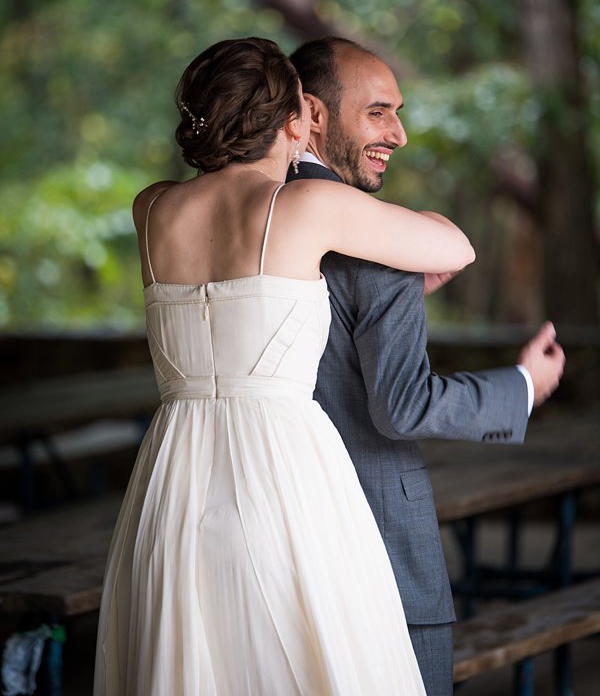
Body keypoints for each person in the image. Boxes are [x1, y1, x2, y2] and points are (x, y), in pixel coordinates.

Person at [93, 36, 479, 696]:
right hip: (282, 467)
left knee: (196, 655)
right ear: (298, 117)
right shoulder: (306, 207)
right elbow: (455, 246)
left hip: (174, 471)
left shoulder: (151, 207)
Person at [288, 36, 566, 696]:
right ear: (313, 112)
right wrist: (522, 386)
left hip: (272, 537)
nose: (400, 134)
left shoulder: (246, 212)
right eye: (380, 111)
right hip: (379, 544)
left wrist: (405, 297)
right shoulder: (382, 237)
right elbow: (402, 403)